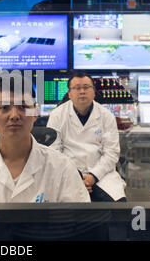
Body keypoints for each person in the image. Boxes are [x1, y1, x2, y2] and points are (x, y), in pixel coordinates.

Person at [0, 78, 90, 203]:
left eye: (23, 107)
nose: (14, 115)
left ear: (35, 114)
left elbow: (80, 224)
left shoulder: (62, 168)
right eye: (5, 108)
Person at [47, 71, 126, 202]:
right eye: (77, 88)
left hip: (102, 175)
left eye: (86, 87)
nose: (82, 91)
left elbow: (111, 153)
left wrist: (93, 176)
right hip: (68, 175)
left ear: (94, 91)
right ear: (69, 93)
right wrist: (75, 178)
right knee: (65, 212)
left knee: (118, 210)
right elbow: (54, 152)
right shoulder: (57, 115)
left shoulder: (106, 116)